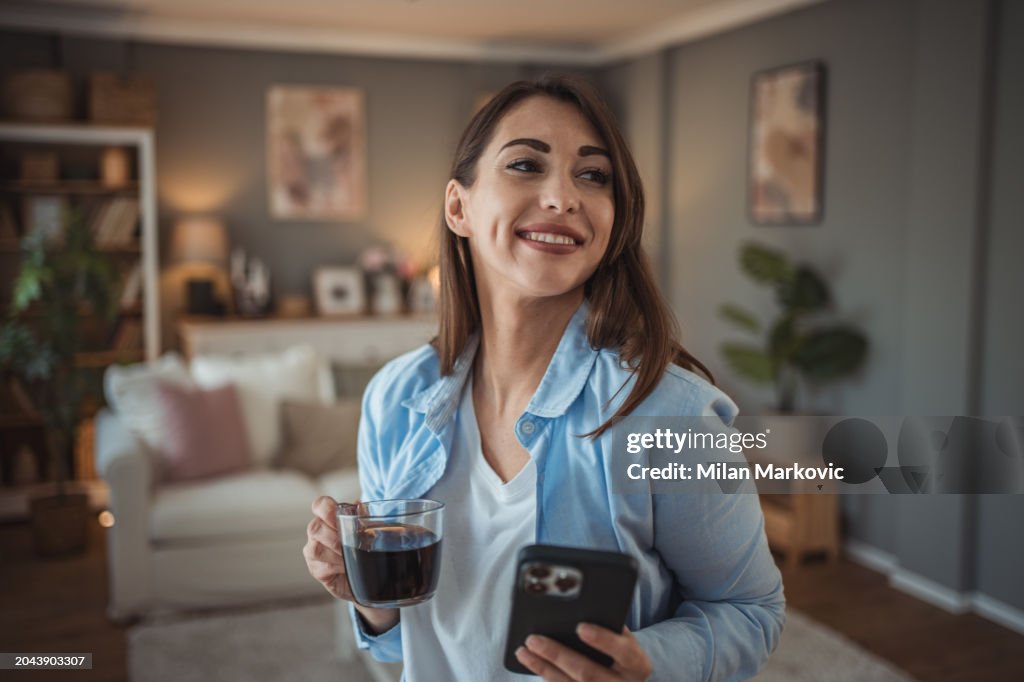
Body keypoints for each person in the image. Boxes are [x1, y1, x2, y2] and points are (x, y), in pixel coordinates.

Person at [304, 75, 785, 681]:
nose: (563, 196)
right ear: (459, 207)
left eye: (593, 175)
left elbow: (750, 611)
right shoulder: (393, 398)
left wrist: (648, 665)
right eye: (527, 165)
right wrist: (368, 598)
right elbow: (399, 644)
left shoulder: (672, 415)